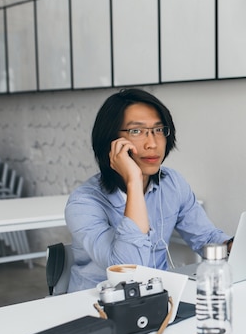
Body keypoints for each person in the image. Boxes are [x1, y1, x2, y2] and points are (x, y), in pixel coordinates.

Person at [65, 88, 232, 292]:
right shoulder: (84, 203)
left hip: (157, 300)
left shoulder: (172, 184)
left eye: (159, 130)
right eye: (136, 131)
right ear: (111, 140)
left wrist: (235, 247)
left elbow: (206, 239)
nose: (152, 143)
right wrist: (134, 182)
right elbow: (129, 270)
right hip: (96, 306)